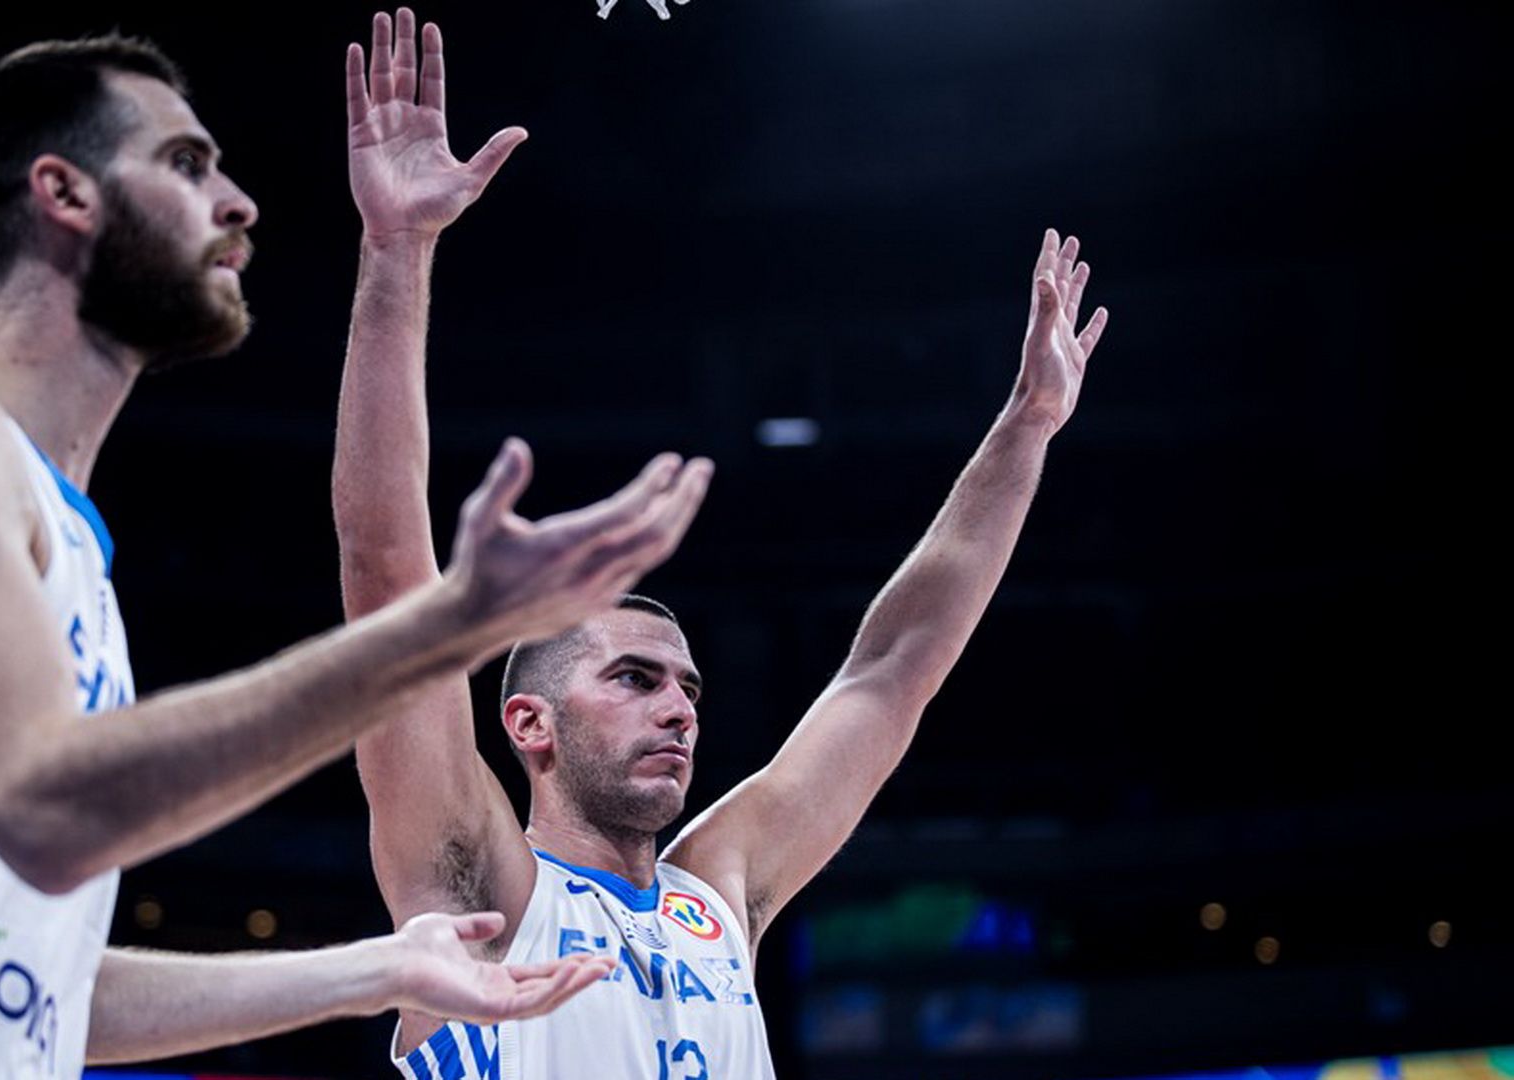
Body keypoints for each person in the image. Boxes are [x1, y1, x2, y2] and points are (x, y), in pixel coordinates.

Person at [0, 30, 721, 1079]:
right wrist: (447, 627)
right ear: (64, 193)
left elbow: (47, 987)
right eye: (187, 163)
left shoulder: (71, 563)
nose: (239, 202)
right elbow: (48, 813)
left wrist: (377, 971)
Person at [332, 12, 1112, 1076]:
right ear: (529, 723)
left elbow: (891, 669)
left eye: (688, 688)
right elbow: (386, 580)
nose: (680, 709)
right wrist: (396, 251)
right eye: (635, 678)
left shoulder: (716, 895)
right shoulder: (481, 893)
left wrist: (1027, 428)